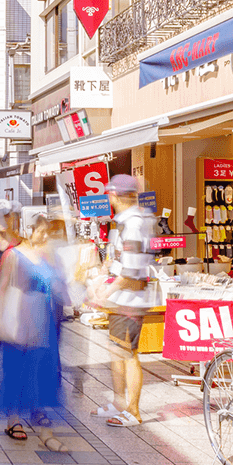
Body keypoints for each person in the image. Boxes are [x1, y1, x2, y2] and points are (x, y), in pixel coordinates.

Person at [0, 216, 69, 450]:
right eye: (40, 231)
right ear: (29, 231)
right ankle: (14, 420)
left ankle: (44, 427)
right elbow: (2, 289)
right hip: (19, 318)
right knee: (15, 369)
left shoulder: (48, 255)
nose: (45, 236)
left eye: (46, 232)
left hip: (44, 319)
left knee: (43, 370)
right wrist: (0, 321)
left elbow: (58, 285)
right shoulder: (14, 255)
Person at [93, 175, 155, 428]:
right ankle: (119, 402)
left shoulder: (133, 224)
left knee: (128, 354)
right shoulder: (124, 222)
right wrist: (102, 278)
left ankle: (133, 410)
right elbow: (118, 260)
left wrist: (105, 292)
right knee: (117, 350)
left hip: (130, 299)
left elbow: (131, 271)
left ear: (115, 195)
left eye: (110, 194)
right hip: (122, 298)